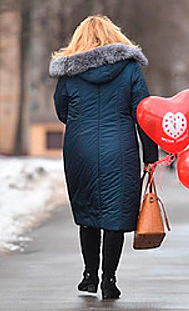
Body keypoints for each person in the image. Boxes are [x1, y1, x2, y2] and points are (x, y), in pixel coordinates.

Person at [50, 15, 158, 299]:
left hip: (79, 149)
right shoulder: (130, 69)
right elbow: (144, 113)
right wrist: (150, 154)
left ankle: (89, 275)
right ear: (114, 37)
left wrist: (81, 123)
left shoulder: (69, 73)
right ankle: (109, 280)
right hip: (120, 149)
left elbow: (62, 111)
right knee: (115, 214)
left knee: (88, 212)